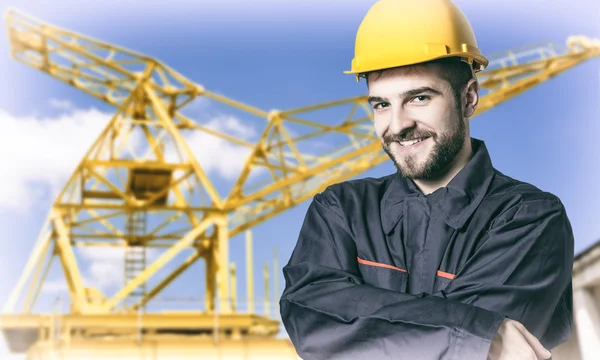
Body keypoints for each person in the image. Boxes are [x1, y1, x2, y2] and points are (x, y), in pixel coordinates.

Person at [279, 0, 575, 359]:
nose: (398, 124)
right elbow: (310, 314)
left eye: (418, 97)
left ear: (468, 97)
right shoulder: (341, 210)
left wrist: (359, 325)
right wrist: (477, 333)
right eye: (381, 105)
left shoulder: (530, 219)